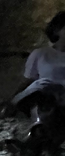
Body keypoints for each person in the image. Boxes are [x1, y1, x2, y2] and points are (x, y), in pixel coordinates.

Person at [8, 10, 65, 142]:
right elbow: (29, 81)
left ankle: (34, 135)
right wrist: (12, 99)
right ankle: (37, 127)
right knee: (43, 87)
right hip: (44, 98)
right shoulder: (40, 54)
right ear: (57, 29)